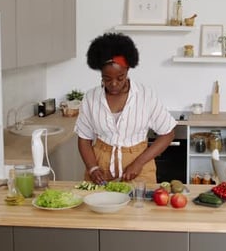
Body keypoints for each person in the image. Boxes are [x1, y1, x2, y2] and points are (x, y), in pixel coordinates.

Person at [75, 33, 176, 185]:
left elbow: (167, 133)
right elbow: (84, 138)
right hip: (101, 166)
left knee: (138, 207)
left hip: (139, 166)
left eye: (120, 77)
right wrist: (92, 167)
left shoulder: (145, 95)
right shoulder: (91, 97)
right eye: (107, 79)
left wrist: (138, 163)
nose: (114, 84)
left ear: (128, 70)